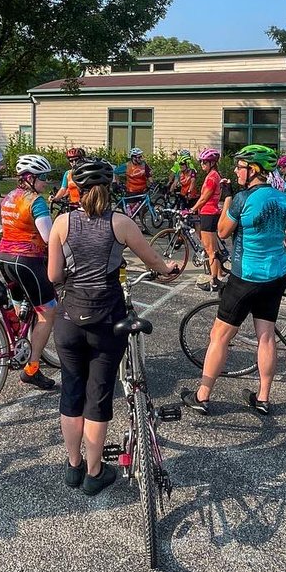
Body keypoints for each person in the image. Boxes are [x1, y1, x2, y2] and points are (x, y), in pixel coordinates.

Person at [48, 158, 181, 496]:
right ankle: (95, 472)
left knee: (72, 392)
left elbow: (53, 276)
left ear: (76, 188)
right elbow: (153, 261)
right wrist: (168, 268)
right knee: (98, 395)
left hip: (69, 320)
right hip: (106, 320)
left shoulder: (62, 223)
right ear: (110, 188)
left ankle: (74, 466)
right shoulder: (120, 223)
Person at [180, 145, 286, 416]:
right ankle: (263, 398)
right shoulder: (283, 199)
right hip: (277, 273)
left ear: (253, 170)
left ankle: (202, 395)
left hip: (247, 276)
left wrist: (228, 199)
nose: (236, 171)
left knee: (219, 336)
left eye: (241, 166)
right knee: (266, 337)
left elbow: (221, 230)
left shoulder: (243, 198)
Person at [0, 154, 59, 390]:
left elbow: (5, 227)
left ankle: (19, 345)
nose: (45, 182)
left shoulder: (9, 198)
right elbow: (48, 238)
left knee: (23, 306)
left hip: (4, 257)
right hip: (27, 261)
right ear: (30, 178)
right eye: (42, 177)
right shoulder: (36, 201)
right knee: (48, 311)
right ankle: (32, 367)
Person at [188, 147, 225, 291]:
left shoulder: (212, 177)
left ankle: (213, 280)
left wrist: (192, 209)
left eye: (204, 162)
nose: (202, 165)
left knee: (210, 250)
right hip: (210, 213)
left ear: (212, 163)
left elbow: (204, 197)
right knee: (214, 248)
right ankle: (219, 276)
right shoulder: (214, 174)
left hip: (209, 214)